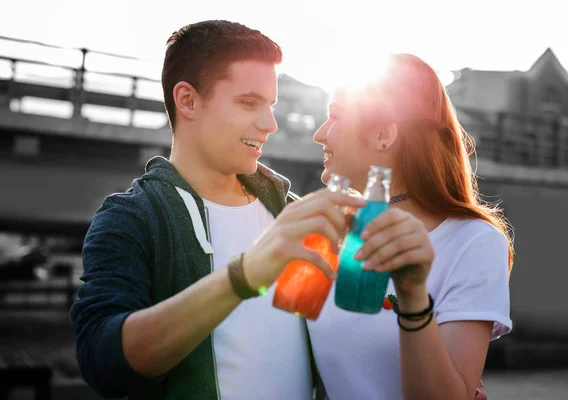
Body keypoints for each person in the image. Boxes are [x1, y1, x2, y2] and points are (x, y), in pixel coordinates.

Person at [70, 20, 365, 400]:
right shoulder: (132, 219)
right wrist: (243, 276)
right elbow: (103, 364)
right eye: (248, 103)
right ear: (188, 100)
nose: (270, 124)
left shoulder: (291, 215)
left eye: (270, 106)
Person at [308, 53, 513, 400]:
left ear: (384, 134)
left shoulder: (473, 243)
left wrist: (413, 295)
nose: (318, 134)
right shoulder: (326, 230)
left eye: (334, 117)